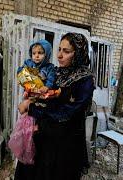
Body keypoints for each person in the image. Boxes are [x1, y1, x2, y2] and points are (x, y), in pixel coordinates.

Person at [14, 32, 95, 180]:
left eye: (66, 51)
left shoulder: (85, 79)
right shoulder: (56, 72)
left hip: (66, 140)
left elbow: (67, 112)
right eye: (59, 49)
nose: (59, 55)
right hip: (46, 131)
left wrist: (32, 109)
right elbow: (48, 98)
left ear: (78, 53)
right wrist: (31, 98)